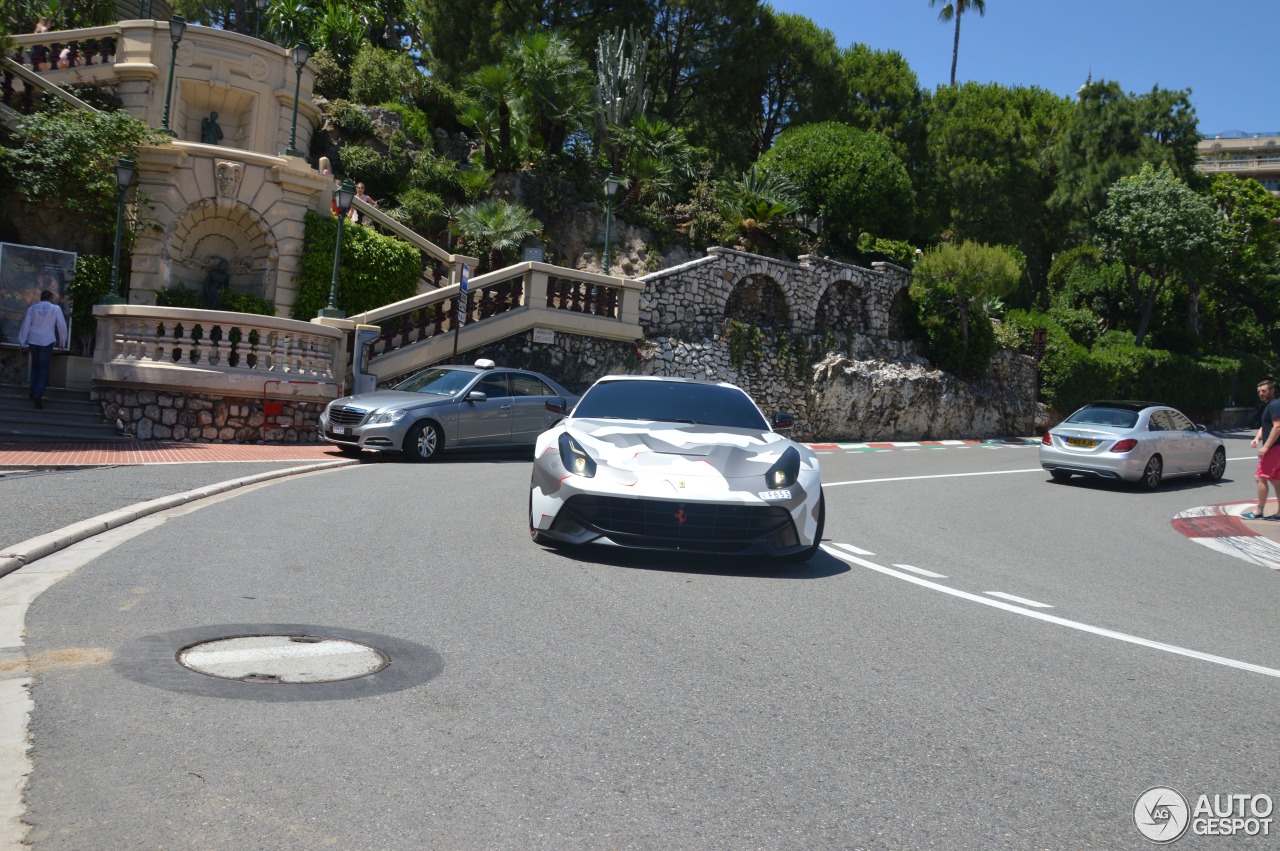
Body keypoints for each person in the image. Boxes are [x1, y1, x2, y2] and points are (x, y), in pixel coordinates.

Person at [17, 289, 68, 409]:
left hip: (33, 340)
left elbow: (26, 325)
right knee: (43, 367)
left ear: (41, 298)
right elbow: (61, 325)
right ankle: (38, 394)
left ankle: (33, 391)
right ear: (51, 298)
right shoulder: (55, 309)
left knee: (35, 365)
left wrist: (22, 342)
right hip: (47, 340)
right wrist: (62, 341)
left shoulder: (32, 308)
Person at [1244, 378, 1280, 519]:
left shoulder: (1275, 405)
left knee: (1260, 477)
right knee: (1276, 480)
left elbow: (1277, 426)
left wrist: (1266, 447)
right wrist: (1257, 438)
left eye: (1264, 391)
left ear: (1272, 391)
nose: (1261, 394)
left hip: (1275, 448)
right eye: (1259, 391)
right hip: (1276, 447)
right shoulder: (1268, 406)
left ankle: (1259, 511)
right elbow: (1265, 426)